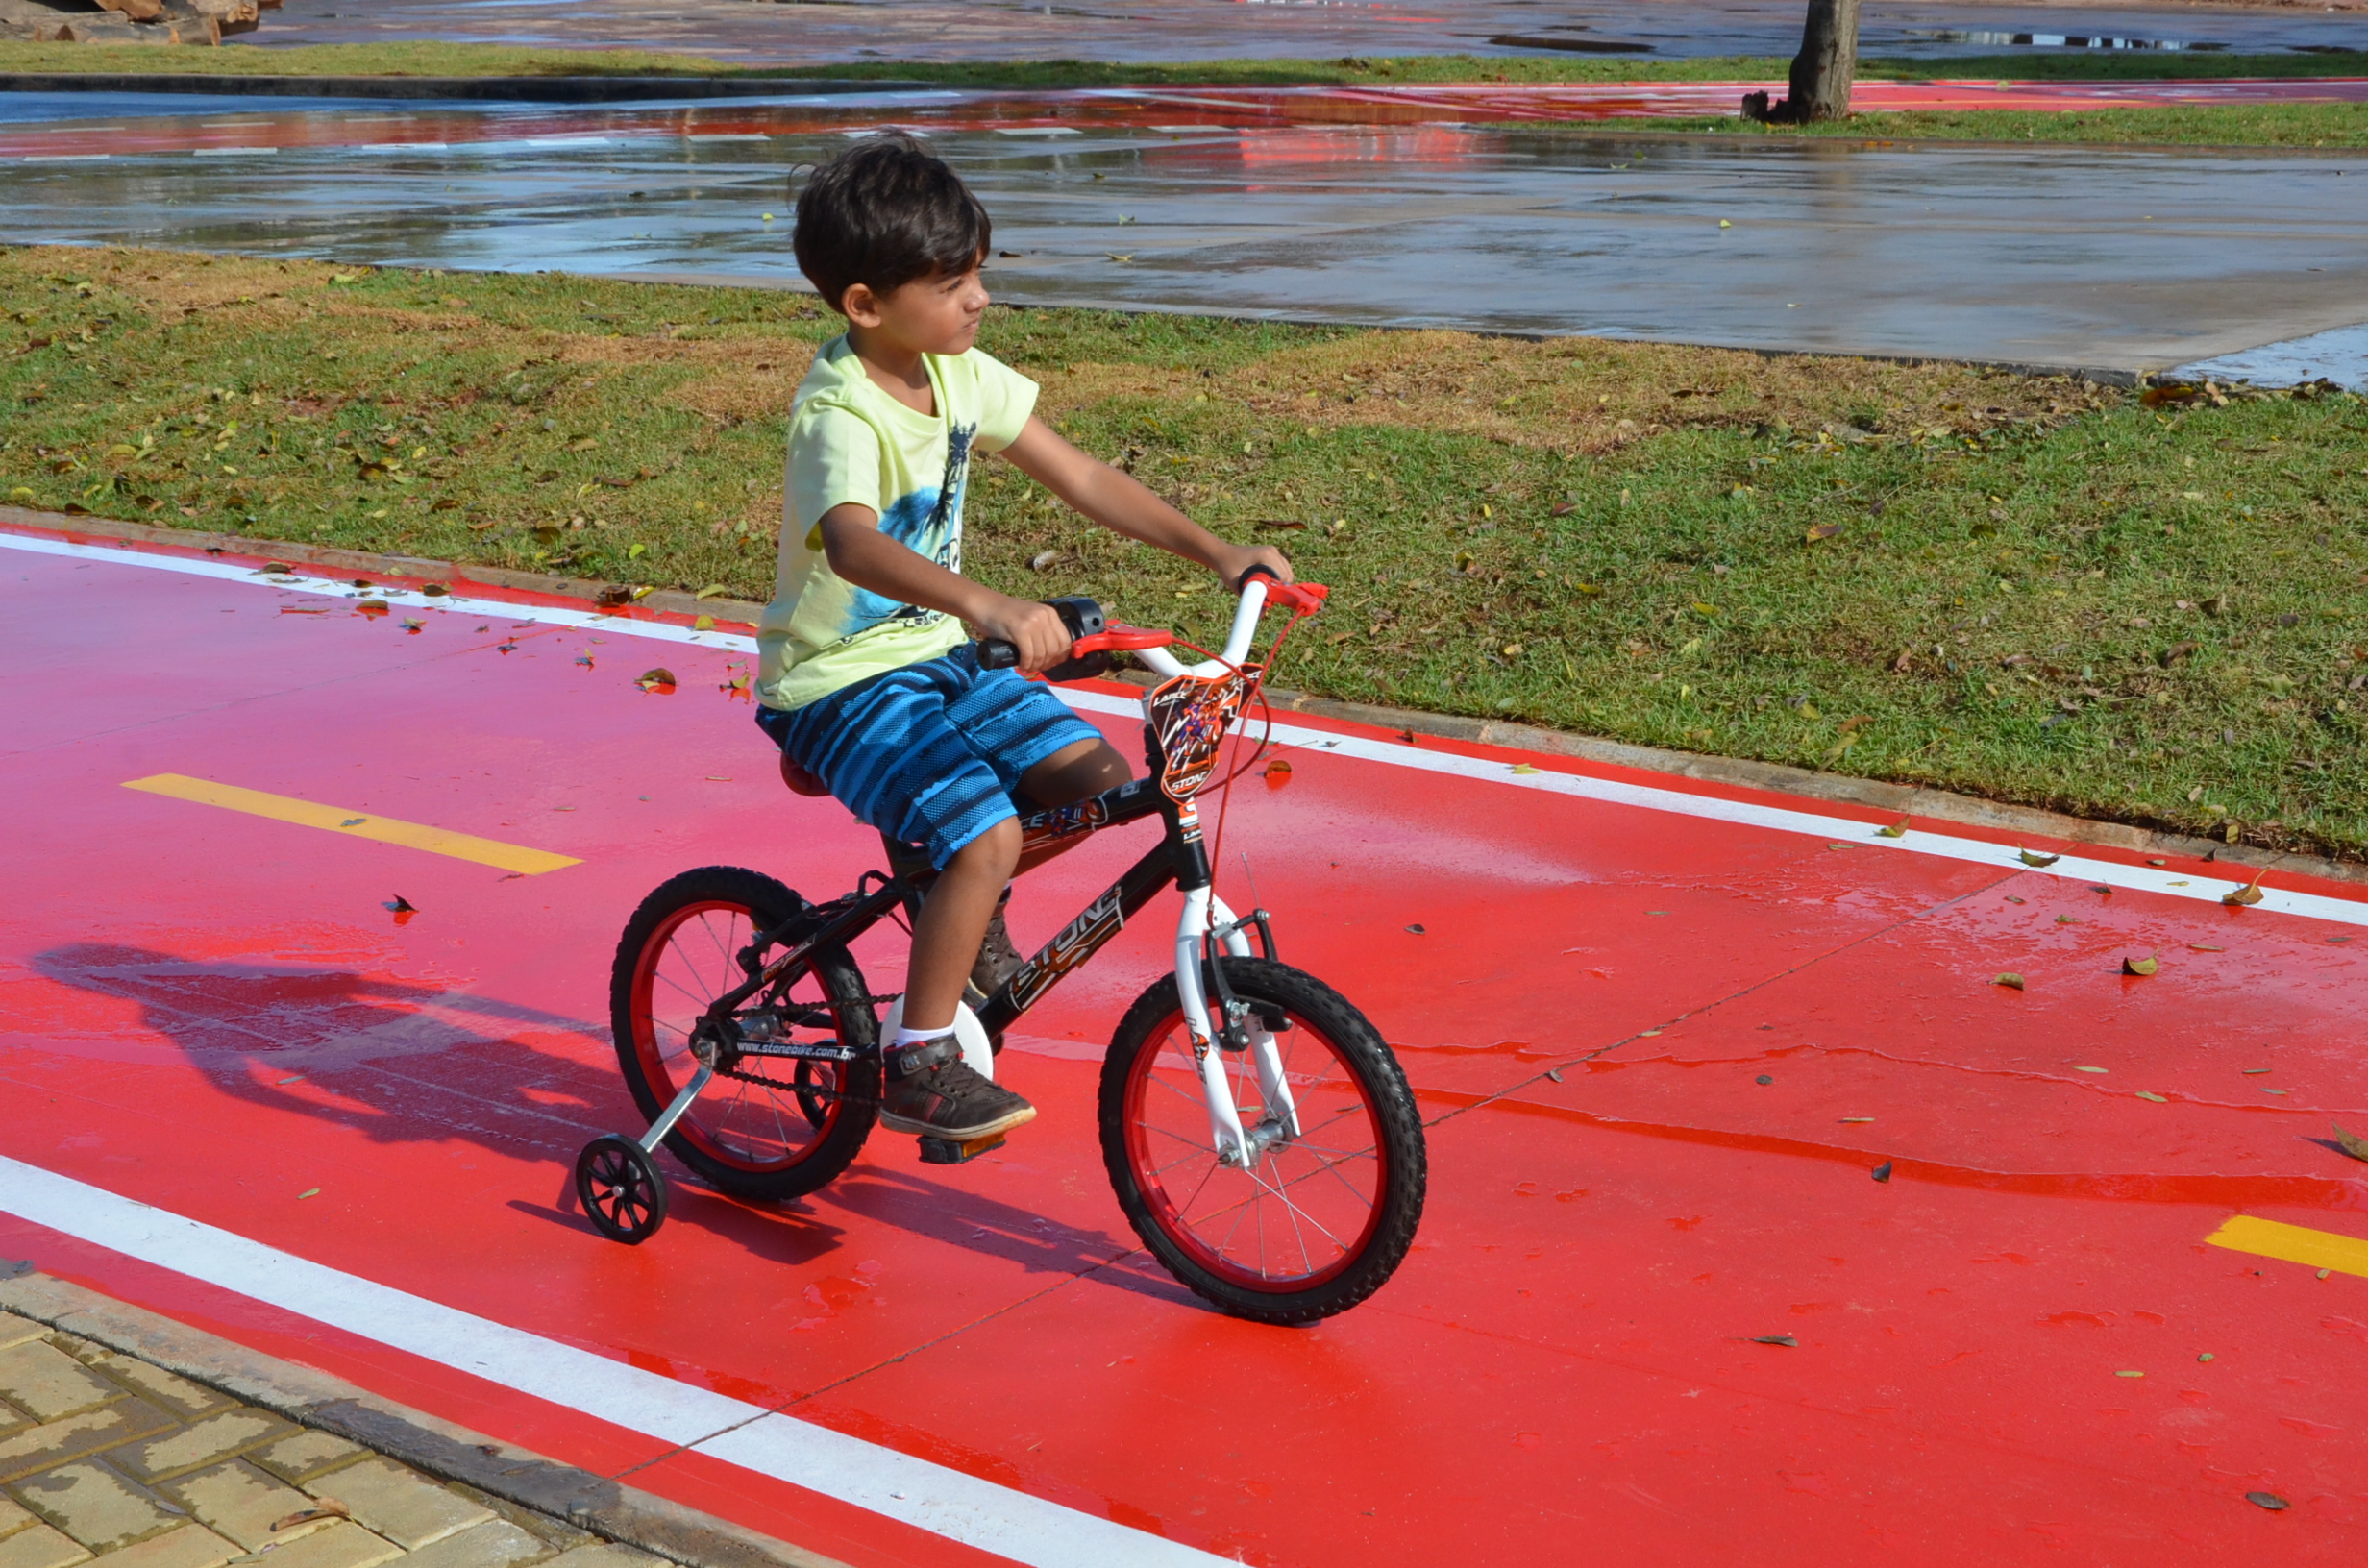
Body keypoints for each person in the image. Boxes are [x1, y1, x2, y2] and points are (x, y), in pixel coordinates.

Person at [754, 135, 1291, 1144]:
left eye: (978, 275)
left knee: (1093, 780)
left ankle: (955, 892)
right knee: (987, 833)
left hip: (940, 661)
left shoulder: (958, 376)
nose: (979, 300)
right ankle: (917, 1057)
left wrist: (1220, 552)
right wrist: (990, 605)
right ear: (865, 305)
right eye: (952, 282)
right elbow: (856, 547)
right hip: (839, 681)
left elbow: (1081, 476)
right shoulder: (839, 412)